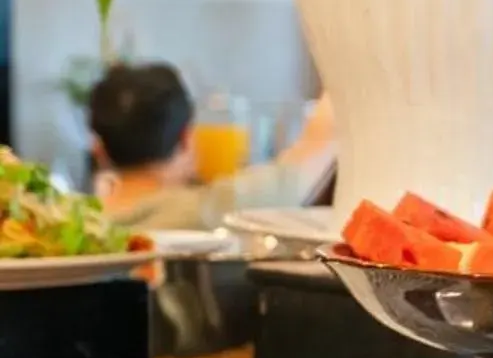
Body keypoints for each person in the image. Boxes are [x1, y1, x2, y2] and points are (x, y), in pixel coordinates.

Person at [85, 62, 335, 231]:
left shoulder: (75, 225)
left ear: (99, 151)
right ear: (186, 139)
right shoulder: (207, 211)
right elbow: (305, 165)